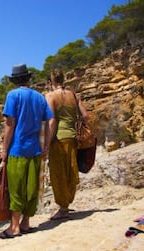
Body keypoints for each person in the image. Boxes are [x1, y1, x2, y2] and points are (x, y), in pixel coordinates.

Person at [0, 64, 56, 239]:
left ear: (15, 80)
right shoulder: (39, 97)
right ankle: (26, 223)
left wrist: (4, 150)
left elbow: (10, 124)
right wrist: (46, 145)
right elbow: (50, 120)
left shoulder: (13, 95)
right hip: (35, 150)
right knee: (32, 188)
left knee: (16, 188)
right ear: (28, 78)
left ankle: (14, 227)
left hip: (17, 149)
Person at [45, 68, 88, 220]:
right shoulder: (73, 95)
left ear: (50, 82)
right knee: (71, 171)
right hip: (72, 137)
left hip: (58, 139)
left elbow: (51, 121)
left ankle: (63, 208)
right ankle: (67, 204)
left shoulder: (50, 96)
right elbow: (85, 115)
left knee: (58, 174)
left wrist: (46, 143)